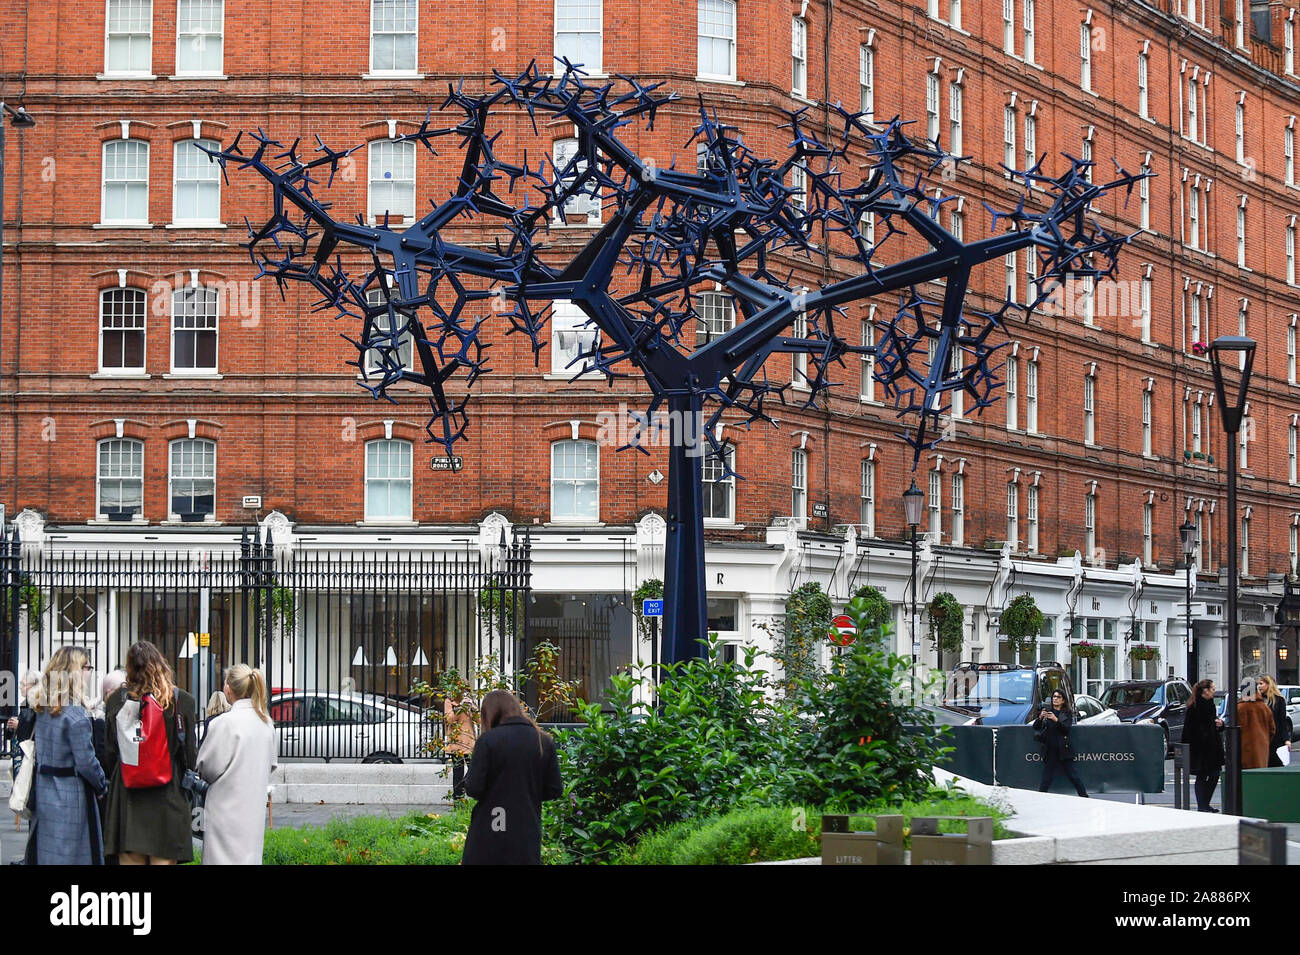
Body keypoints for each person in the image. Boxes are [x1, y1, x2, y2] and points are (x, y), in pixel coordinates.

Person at [102, 641, 198, 865]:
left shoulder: (116, 701)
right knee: (163, 858)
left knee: (129, 859)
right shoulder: (181, 700)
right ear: (160, 663)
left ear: (129, 668)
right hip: (167, 791)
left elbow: (109, 751)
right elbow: (190, 755)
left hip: (127, 792)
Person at [461, 690, 563, 865]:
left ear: (490, 714)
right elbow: (555, 789)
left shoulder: (488, 741)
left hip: (491, 823)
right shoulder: (543, 740)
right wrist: (527, 792)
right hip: (526, 827)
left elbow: (473, 787)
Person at [27, 647, 109, 865]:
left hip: (44, 790)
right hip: (71, 794)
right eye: (87, 666)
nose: (90, 671)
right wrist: (102, 786)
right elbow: (87, 762)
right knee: (73, 856)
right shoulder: (76, 714)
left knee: (47, 855)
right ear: (75, 671)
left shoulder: (43, 708)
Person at [195, 664, 277, 865]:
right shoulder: (266, 723)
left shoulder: (224, 723)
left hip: (224, 810)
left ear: (228, 689)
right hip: (253, 809)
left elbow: (206, 767)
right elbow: (272, 764)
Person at [1034, 688, 1089, 797]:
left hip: (1063, 749)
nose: (1055, 699)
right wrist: (1040, 717)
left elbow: (1066, 729)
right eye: (1054, 697)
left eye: (1058, 697)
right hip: (1050, 749)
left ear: (1063, 700)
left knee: (1073, 775)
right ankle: (1039, 798)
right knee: (1046, 777)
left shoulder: (1066, 713)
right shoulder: (1048, 711)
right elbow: (1036, 727)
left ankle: (1084, 796)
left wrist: (1056, 720)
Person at [1180, 679, 1224, 812]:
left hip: (1212, 748)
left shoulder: (1210, 704)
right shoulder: (1194, 707)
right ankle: (1202, 806)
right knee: (1202, 776)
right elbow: (1188, 730)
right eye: (1213, 689)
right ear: (1205, 690)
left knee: (1215, 775)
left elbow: (1213, 724)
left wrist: (1220, 725)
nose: (1214, 692)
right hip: (1199, 749)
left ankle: (1205, 804)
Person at [1237, 678, 1275, 771]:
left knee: (1244, 780)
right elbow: (1272, 729)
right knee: (1259, 777)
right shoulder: (1264, 707)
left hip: (1243, 750)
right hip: (1261, 750)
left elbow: (1235, 730)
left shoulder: (1239, 708)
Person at [1259, 675, 1289, 767]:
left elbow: (1282, 721)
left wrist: (1286, 739)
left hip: (1275, 738)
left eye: (1261, 683)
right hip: (1261, 738)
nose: (1259, 686)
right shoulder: (1258, 700)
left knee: (1276, 764)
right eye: (1258, 684)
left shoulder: (1279, 700)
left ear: (1269, 684)